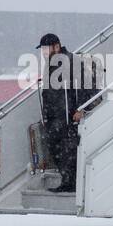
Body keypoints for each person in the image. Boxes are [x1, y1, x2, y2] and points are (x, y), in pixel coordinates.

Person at [32, 34, 97, 194]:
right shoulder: (51, 65)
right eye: (42, 50)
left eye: (46, 48)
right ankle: (67, 180)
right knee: (56, 149)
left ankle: (70, 183)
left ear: (57, 46)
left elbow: (87, 86)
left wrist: (82, 109)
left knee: (68, 151)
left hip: (68, 117)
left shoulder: (71, 61)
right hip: (54, 118)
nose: (44, 53)